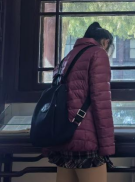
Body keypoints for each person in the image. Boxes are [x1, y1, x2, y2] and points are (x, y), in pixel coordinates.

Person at [46, 22, 115, 182]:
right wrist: (107, 146)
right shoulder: (98, 53)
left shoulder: (68, 57)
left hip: (63, 136)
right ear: (105, 42)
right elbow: (101, 103)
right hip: (86, 141)